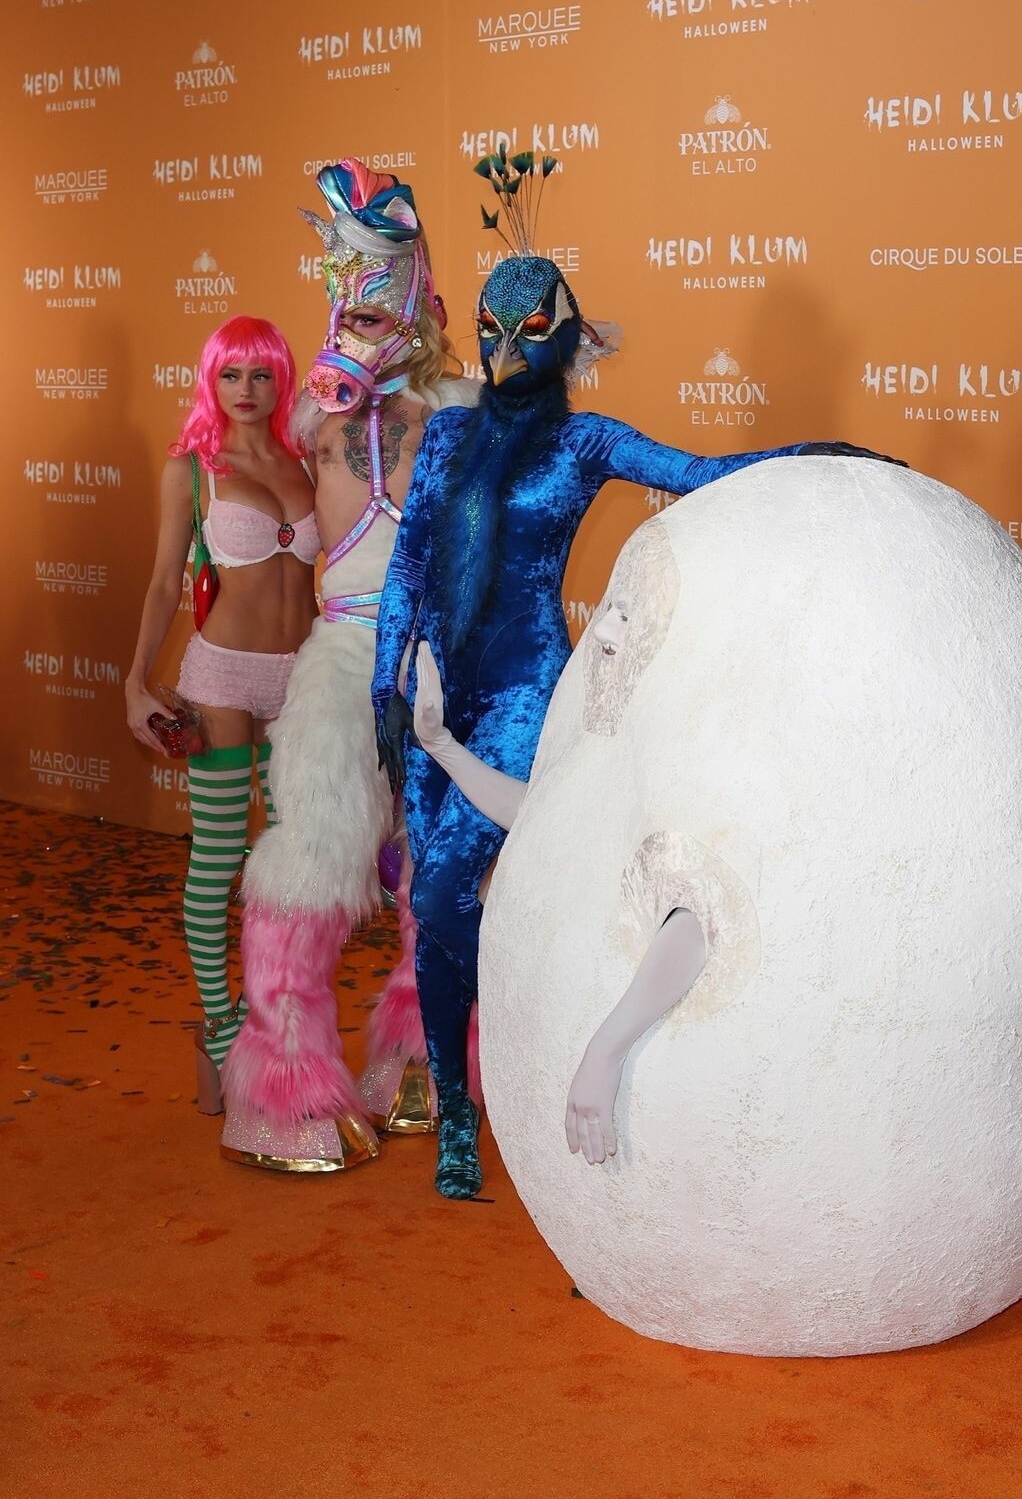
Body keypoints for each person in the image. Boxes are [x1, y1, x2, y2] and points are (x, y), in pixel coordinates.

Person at [372, 149, 905, 1199]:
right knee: (437, 915)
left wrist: (817, 452)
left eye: (532, 330)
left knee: (449, 885)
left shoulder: (585, 444)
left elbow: (700, 476)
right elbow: (408, 568)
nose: (508, 349)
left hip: (525, 698)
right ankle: (456, 1114)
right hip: (434, 700)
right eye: (492, 329)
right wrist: (385, 690)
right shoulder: (443, 437)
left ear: (566, 335)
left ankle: (527, 1076)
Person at [218, 159, 476, 1174]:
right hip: (343, 646)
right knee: (315, 850)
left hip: (438, 656)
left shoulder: (461, 408)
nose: (358, 311)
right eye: (346, 290)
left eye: (378, 289)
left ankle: (422, 1056)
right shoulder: (313, 415)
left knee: (441, 862)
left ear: (417, 294)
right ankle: (282, 1088)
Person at [407, 641, 708, 1167]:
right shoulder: (611, 744)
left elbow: (697, 918)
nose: (605, 627)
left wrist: (606, 1050)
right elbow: (540, 816)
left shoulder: (688, 747)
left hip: (661, 1072)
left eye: (625, 615)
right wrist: (441, 745)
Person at [125, 315, 318, 1112]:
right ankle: (220, 1028)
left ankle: (273, 1020)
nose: (246, 390)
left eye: (261, 374)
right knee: (217, 856)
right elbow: (163, 582)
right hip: (223, 678)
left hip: (303, 678)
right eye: (231, 374)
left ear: (281, 381)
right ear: (211, 380)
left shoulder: (308, 458)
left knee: (292, 860)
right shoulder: (193, 467)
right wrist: (135, 682)